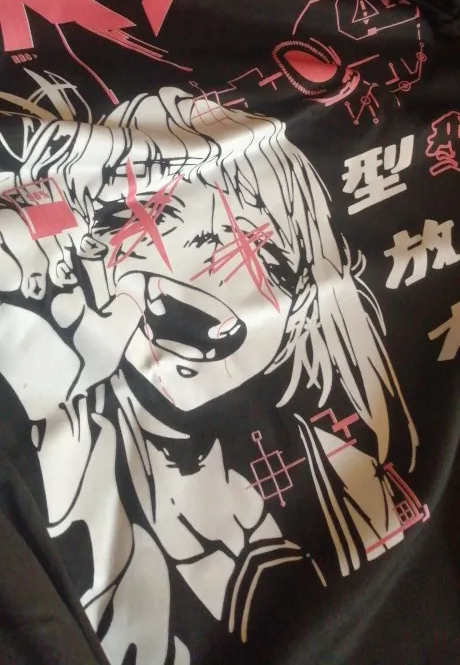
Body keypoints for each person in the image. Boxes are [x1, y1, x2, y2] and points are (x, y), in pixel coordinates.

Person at [0, 84, 419, 664]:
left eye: (257, 252)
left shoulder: (353, 481)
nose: (208, 282)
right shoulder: (62, 461)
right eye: (146, 223)